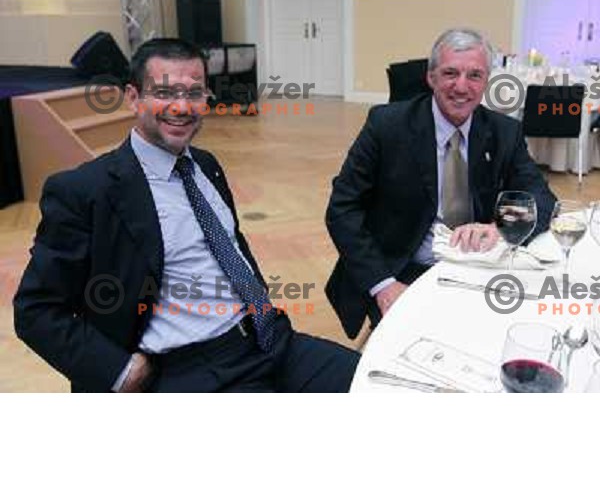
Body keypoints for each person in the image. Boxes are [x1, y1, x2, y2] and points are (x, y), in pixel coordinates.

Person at [13, 37, 359, 392]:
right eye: (165, 93)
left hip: (269, 338)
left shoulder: (206, 166)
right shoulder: (86, 191)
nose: (181, 107)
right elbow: (35, 310)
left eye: (194, 93)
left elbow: (228, 247)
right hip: (198, 369)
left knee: (380, 384)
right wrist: (118, 371)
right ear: (134, 98)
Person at [325, 28, 557, 339]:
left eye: (474, 75)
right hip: (402, 267)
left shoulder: (504, 132)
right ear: (431, 77)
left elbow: (542, 198)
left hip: (475, 264)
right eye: (450, 73)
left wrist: (499, 227)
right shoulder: (386, 126)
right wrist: (384, 285)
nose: (461, 86)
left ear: (487, 82)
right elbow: (342, 208)